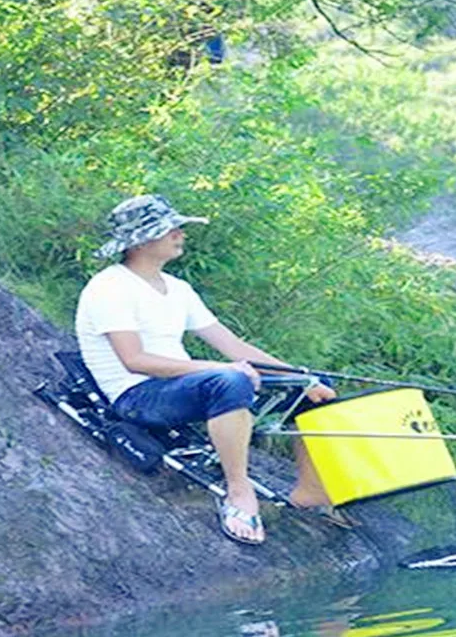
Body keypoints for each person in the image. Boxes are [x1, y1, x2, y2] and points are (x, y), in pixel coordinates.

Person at [75, 194, 337, 545]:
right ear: (142, 240)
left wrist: (302, 377)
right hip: (138, 395)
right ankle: (239, 491)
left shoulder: (179, 289)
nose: (180, 234)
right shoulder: (109, 287)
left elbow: (235, 347)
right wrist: (221, 368)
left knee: (314, 387)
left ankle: (311, 491)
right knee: (229, 381)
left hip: (187, 385)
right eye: (172, 229)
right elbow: (134, 360)